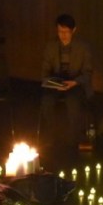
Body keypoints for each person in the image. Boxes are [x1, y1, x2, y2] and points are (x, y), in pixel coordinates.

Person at [40, 13, 93, 148]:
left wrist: (75, 82)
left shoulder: (83, 47)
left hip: (76, 83)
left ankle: (73, 138)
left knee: (73, 102)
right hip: (56, 83)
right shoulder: (51, 46)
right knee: (47, 101)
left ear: (73, 30)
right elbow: (45, 71)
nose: (63, 35)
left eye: (66, 32)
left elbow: (87, 73)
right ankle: (52, 135)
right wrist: (53, 82)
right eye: (60, 31)